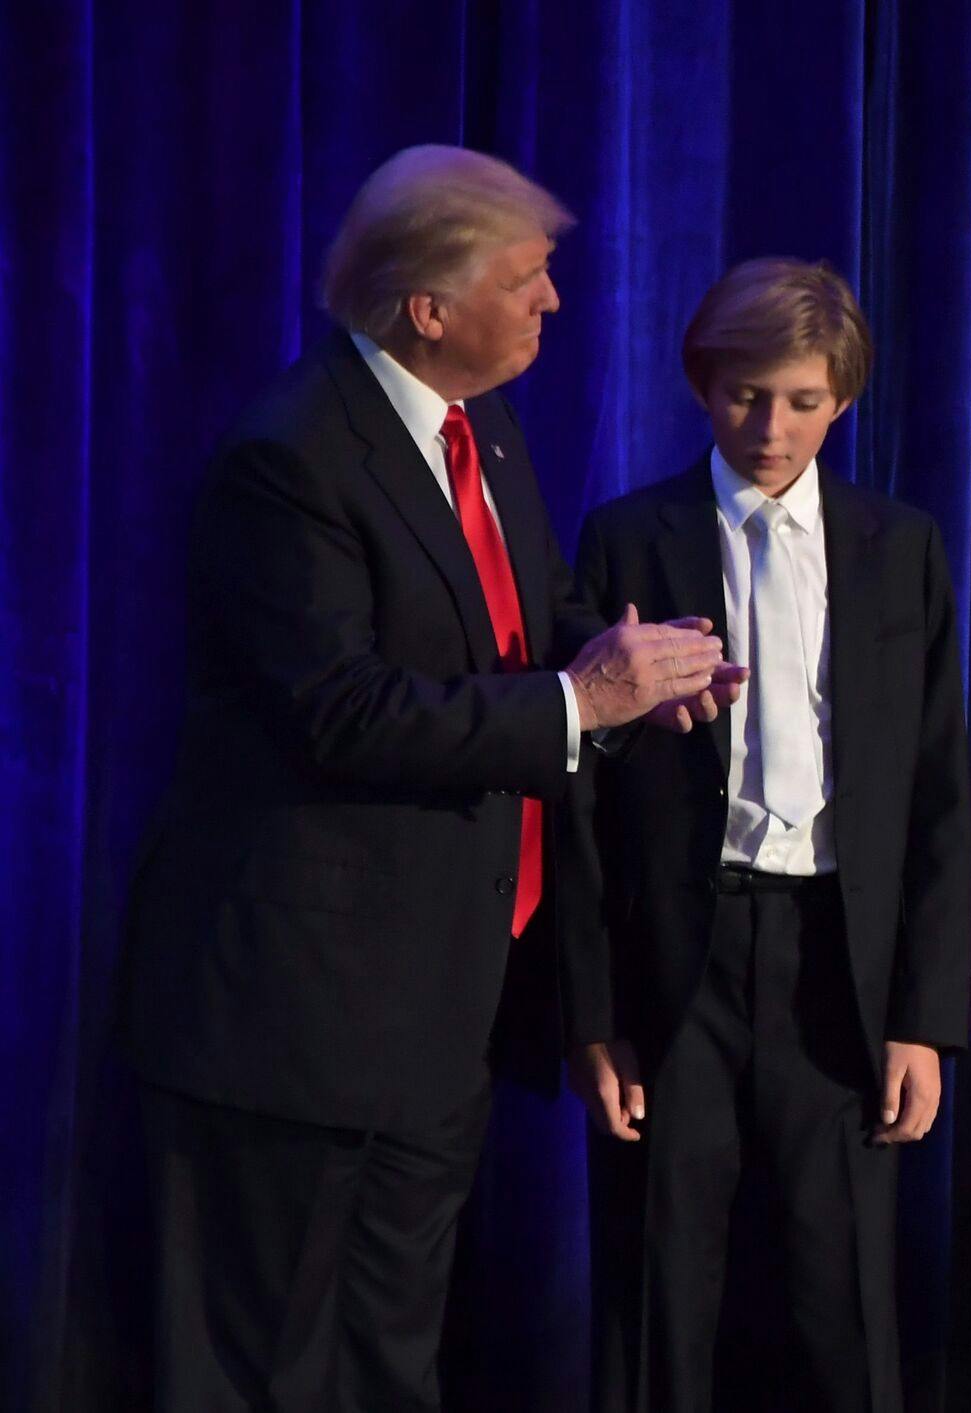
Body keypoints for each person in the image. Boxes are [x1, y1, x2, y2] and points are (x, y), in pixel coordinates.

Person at [116, 145, 732, 1412]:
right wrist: (579, 703)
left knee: (393, 1361)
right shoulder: (287, 462)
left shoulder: (480, 427)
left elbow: (528, 623)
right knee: (265, 1367)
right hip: (293, 1018)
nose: (555, 301)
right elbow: (342, 714)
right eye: (528, 277)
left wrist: (633, 677)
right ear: (429, 309)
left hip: (440, 1006)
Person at [564, 257, 970, 1412]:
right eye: (747, 396)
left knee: (841, 1308)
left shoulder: (901, 550)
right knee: (658, 1301)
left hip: (834, 962)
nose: (772, 428)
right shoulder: (627, 540)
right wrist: (594, 1016)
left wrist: (920, 1021)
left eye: (801, 400)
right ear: (704, 387)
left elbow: (936, 793)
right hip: (678, 969)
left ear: (842, 396)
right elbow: (585, 803)